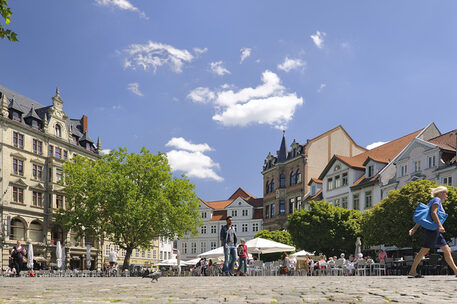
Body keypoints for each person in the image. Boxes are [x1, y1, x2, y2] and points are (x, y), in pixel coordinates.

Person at [408, 186, 457, 278]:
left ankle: (456, 271)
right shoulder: (436, 200)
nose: (446, 196)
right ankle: (412, 271)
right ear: (441, 193)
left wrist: (414, 228)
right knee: (424, 251)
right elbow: (433, 213)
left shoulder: (433, 201)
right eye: (446, 193)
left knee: (447, 250)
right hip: (433, 230)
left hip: (434, 230)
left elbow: (424, 218)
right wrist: (440, 225)